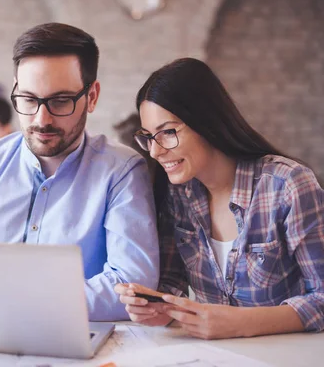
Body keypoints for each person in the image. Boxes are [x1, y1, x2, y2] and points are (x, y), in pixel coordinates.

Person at [0, 23, 159, 321]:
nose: (41, 118)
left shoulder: (122, 171)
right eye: (28, 99)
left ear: (92, 96)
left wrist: (19, 304)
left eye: (60, 100)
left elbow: (132, 285)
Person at [115, 58, 324, 338]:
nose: (154, 151)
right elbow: (172, 282)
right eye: (149, 137)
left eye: (167, 133)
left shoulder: (287, 184)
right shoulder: (179, 193)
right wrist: (157, 307)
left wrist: (242, 323)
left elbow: (321, 297)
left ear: (206, 122)